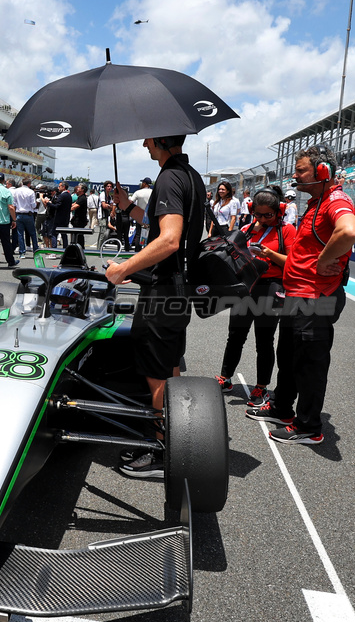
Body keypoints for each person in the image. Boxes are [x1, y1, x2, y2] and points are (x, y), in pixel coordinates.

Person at [104, 135, 205, 479]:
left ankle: (162, 448)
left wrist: (122, 268)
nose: (145, 144)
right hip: (178, 289)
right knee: (170, 367)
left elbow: (169, 238)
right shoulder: (189, 174)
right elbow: (161, 225)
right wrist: (127, 208)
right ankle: (176, 438)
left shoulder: (169, 177)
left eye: (149, 138)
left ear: (161, 139)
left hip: (163, 292)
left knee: (156, 372)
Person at [247, 147, 355, 446]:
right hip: (296, 295)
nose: (294, 176)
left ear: (322, 172)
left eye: (300, 170)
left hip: (316, 297)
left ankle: (309, 426)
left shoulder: (335, 200)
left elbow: (348, 231)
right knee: (288, 356)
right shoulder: (315, 202)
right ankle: (283, 408)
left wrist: (325, 260)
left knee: (309, 365)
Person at [216, 188, 294, 407]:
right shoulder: (247, 229)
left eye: (267, 215)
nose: (261, 219)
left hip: (271, 286)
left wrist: (269, 255)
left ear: (279, 211)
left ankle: (261, 386)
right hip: (245, 286)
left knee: (264, 339)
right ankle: (226, 377)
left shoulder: (287, 230)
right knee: (235, 335)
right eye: (257, 215)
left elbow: (291, 263)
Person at [12, 177, 39, 256]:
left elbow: (14, 204)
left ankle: (22, 252)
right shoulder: (31, 192)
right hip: (28, 214)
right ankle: (35, 251)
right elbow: (33, 205)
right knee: (33, 233)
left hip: (19, 214)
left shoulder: (16, 191)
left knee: (20, 234)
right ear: (29, 184)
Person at [47, 181, 71, 247]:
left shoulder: (62, 195)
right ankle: (65, 250)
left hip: (59, 218)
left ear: (63, 187)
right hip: (65, 218)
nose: (58, 188)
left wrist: (48, 203)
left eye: (59, 186)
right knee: (64, 235)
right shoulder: (69, 195)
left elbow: (57, 206)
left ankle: (54, 250)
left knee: (54, 234)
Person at [130, 176, 153, 246]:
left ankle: (137, 250)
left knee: (138, 234)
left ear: (145, 184)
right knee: (150, 234)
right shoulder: (153, 192)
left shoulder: (138, 192)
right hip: (150, 216)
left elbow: (130, 202)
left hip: (139, 215)